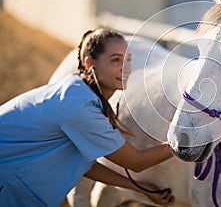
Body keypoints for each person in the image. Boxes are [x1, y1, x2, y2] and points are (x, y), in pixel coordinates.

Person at [0, 28, 175, 206]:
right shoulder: (79, 107)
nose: (126, 69)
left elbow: (83, 165)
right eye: (116, 60)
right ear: (90, 63)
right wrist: (186, 140)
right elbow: (136, 161)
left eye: (128, 59)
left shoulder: (78, 92)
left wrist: (138, 186)